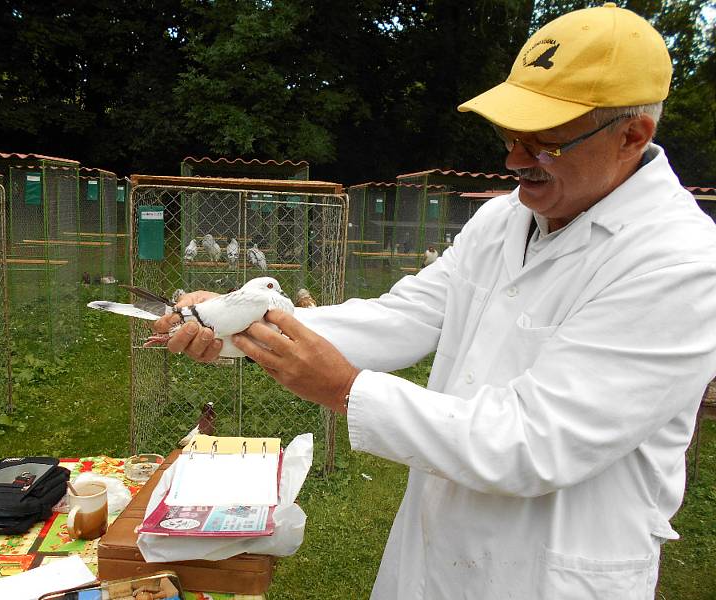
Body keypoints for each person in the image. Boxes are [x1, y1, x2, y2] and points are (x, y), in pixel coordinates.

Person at [152, 4, 716, 598]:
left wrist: (345, 389)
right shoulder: (504, 219)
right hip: (437, 546)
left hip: (549, 570)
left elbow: (532, 441)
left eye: (544, 143)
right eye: (510, 135)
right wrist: (240, 321)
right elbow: (405, 317)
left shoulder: (681, 263)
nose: (514, 160)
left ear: (632, 136)